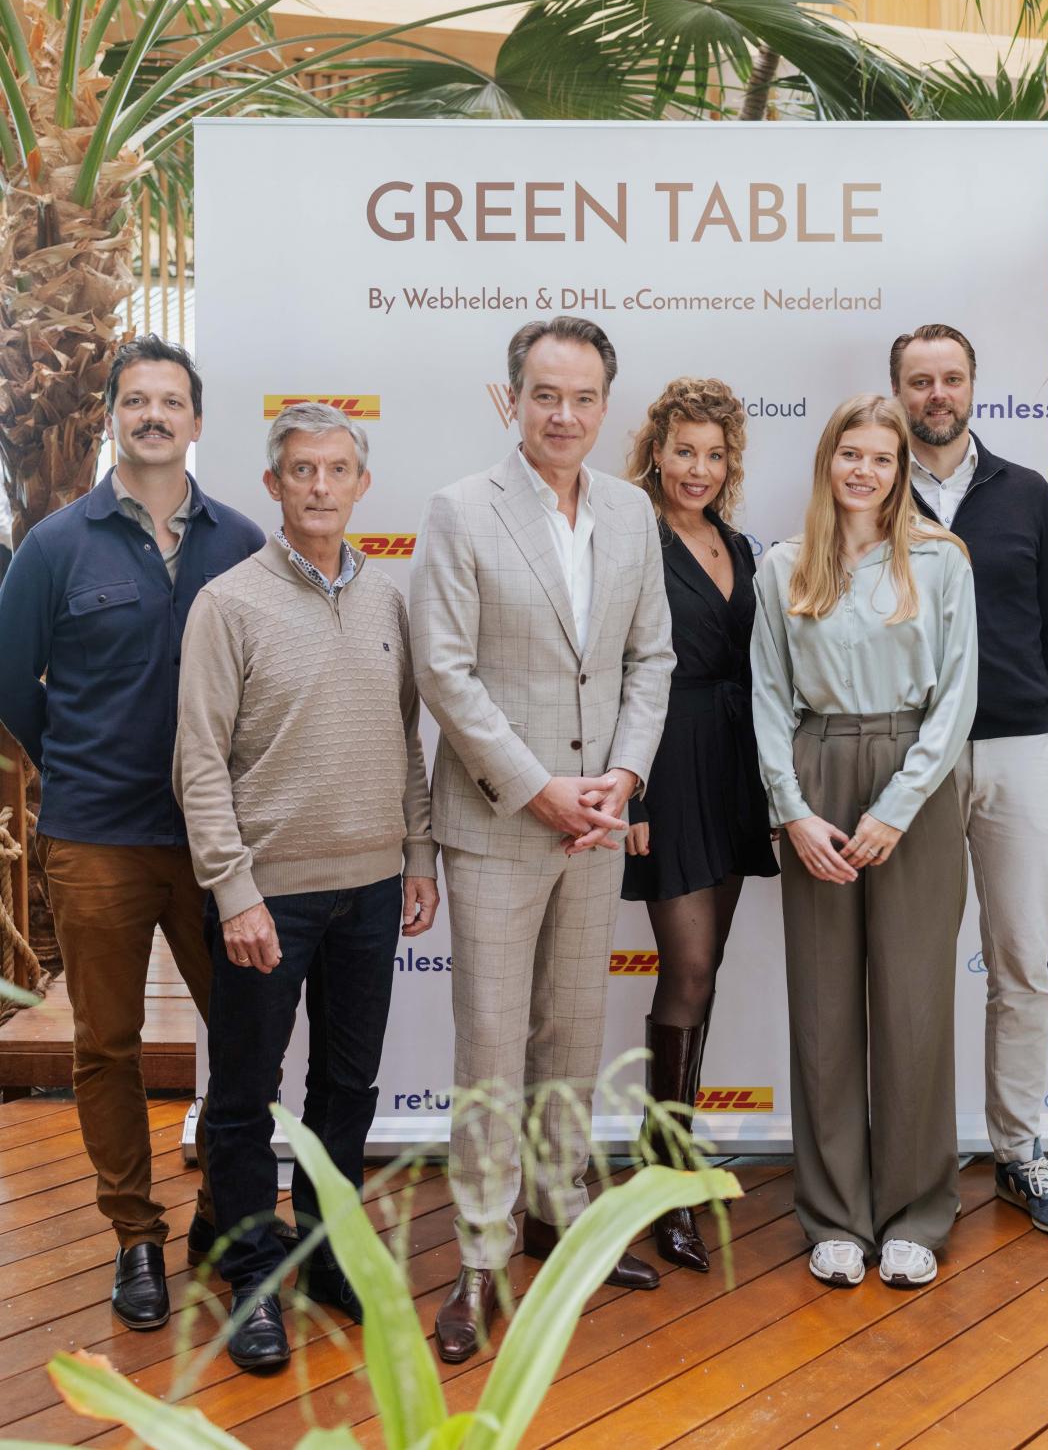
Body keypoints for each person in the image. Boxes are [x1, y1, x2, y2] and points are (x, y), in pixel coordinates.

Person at [411, 315, 674, 1366]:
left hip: (598, 821)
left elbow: (651, 659)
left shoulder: (632, 509)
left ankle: (559, 1217)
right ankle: (480, 1250)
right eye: (545, 394)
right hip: (499, 821)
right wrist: (537, 788)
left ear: (606, 405)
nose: (564, 414)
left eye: (583, 397)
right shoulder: (460, 509)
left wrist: (623, 775)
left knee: (572, 1030)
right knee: (490, 1043)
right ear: (511, 398)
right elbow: (444, 670)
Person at [0, 335, 263, 1331]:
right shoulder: (53, 545)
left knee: (243, 1037)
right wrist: (76, 761)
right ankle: (134, 1237)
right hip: (97, 838)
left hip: (217, 843)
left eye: (171, 400)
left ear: (196, 420)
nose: (154, 415)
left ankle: (229, 1223)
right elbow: (11, 680)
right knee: (105, 1045)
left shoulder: (242, 541)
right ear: (111, 414)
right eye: (136, 399)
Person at [174, 402, 439, 1373]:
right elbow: (199, 762)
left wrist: (419, 853)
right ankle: (250, 1271)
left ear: (361, 485)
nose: (320, 484)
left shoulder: (389, 599)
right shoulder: (228, 603)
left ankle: (330, 1256)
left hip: (371, 888)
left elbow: (406, 737)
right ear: (273, 484)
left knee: (346, 1089)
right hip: (267, 897)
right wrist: (234, 889)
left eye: (336, 469)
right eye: (301, 469)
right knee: (245, 1096)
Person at [751, 393, 977, 1290]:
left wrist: (899, 806)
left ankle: (917, 1212)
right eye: (852, 453)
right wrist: (792, 810)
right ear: (828, 459)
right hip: (816, 777)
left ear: (900, 470)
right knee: (824, 1008)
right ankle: (836, 1214)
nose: (865, 471)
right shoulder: (783, 566)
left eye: (883, 458)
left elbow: (956, 696)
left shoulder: (941, 560)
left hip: (914, 778)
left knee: (915, 1003)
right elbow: (769, 695)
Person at [891, 323, 1048, 1238]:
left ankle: (1021, 1149)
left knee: (1020, 960)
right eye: (920, 380)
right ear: (899, 392)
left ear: (972, 385)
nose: (937, 393)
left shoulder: (1025, 492)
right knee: (912, 969)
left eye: (951, 377)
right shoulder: (874, 488)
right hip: (910, 756)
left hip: (1019, 749)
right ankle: (912, 1159)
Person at [623, 377, 776, 1272]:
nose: (698, 468)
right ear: (656, 451)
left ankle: (672, 1151)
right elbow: (615, 666)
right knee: (683, 967)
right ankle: (664, 1179)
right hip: (666, 762)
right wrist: (631, 792)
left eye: (715, 454)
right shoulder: (631, 538)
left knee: (705, 968)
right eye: (684, 450)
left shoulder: (739, 544)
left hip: (734, 761)